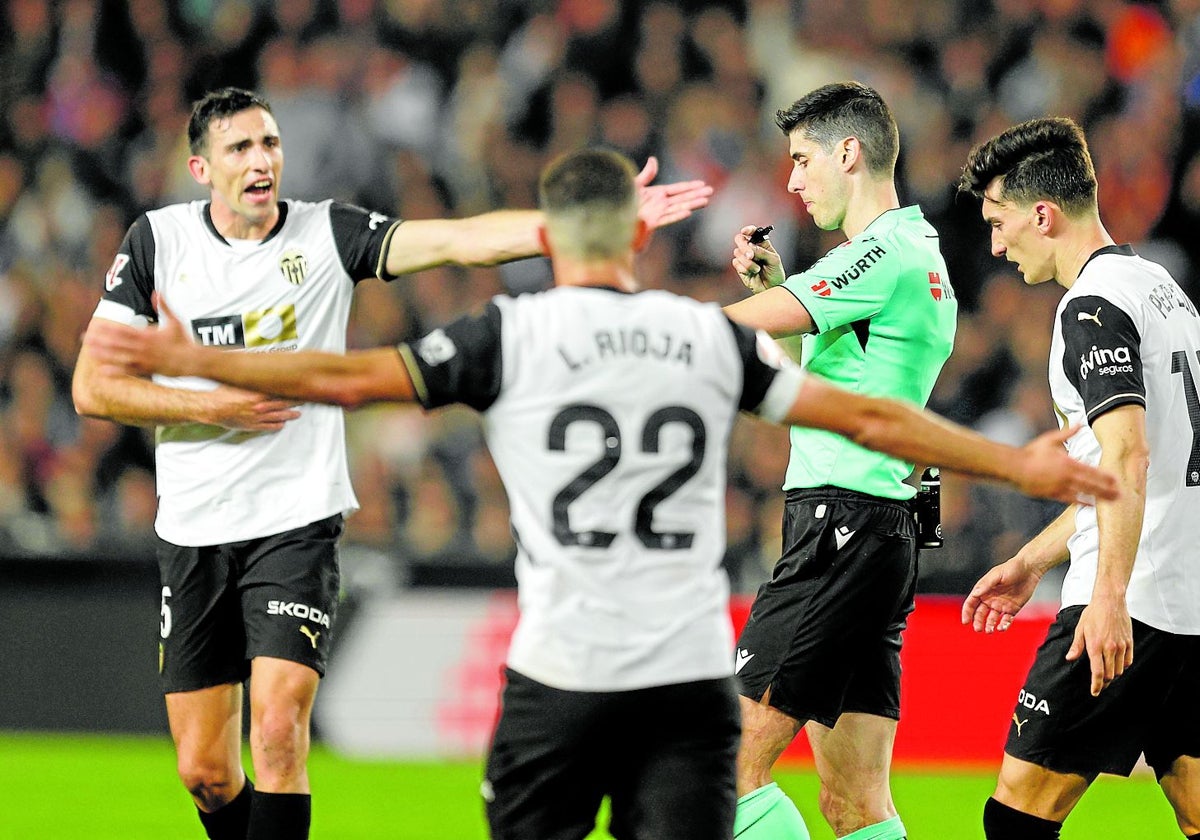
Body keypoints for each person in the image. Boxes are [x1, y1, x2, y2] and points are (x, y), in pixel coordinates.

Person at [85, 147, 1116, 840]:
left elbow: (348, 378)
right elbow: (869, 420)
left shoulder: (509, 335)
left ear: (551, 238)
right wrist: (1017, 468)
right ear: (633, 237)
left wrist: (202, 364)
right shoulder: (699, 334)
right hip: (680, 682)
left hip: (558, 676)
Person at [69, 87, 713, 840]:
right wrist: (211, 407)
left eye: (269, 144)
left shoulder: (325, 234)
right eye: (240, 148)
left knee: (277, 732)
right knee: (206, 773)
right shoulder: (157, 242)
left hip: (294, 524)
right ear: (200, 167)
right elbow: (92, 387)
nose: (261, 160)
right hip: (193, 531)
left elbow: (456, 241)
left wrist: (587, 225)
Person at [720, 81, 958, 840]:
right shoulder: (916, 254)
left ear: (848, 152)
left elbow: (744, 329)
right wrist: (781, 289)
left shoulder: (879, 253)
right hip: (878, 531)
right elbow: (813, 380)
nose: (791, 181)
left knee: (724, 764)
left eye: (801, 160)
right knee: (855, 800)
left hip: (839, 526)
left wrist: (640, 334)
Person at [958, 117, 1200, 839]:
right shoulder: (1164, 291)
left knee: (1017, 818)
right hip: (1188, 602)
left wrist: (1108, 597)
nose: (996, 246)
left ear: (1043, 214)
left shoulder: (1091, 307)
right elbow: (1126, 466)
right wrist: (1032, 558)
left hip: (1132, 603)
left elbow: (1128, 456)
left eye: (999, 224)